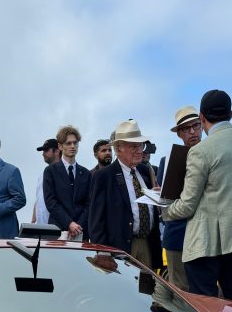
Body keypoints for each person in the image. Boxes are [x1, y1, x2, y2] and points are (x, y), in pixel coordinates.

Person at [162, 90, 232, 304]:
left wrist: (165, 210)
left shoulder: (201, 150)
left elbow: (188, 205)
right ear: (231, 113)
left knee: (204, 306)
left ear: (202, 118)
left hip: (205, 243)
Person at [87, 119, 162, 270]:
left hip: (147, 244)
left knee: (146, 292)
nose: (140, 150)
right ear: (119, 148)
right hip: (120, 249)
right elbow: (96, 219)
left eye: (141, 145)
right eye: (134, 146)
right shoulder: (104, 176)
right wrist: (103, 253)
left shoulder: (145, 171)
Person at [158, 106, 202, 290]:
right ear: (179, 134)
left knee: (204, 293)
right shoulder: (166, 161)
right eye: (186, 128)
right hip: (177, 235)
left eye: (196, 126)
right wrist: (158, 194)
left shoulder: (214, 155)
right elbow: (164, 201)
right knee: (180, 292)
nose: (192, 132)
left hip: (205, 238)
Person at [43, 125, 90, 240]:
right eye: (68, 143)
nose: (73, 146)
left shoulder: (86, 173)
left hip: (81, 231)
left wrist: (78, 226)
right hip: (57, 231)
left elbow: (89, 204)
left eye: (75, 143)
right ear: (60, 146)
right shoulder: (50, 171)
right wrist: (69, 223)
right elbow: (51, 202)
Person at [31, 137, 59, 224]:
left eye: (46, 150)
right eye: (43, 151)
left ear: (57, 151)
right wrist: (33, 220)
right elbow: (39, 197)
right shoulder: (43, 173)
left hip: (56, 225)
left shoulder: (64, 172)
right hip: (41, 225)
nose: (43, 154)